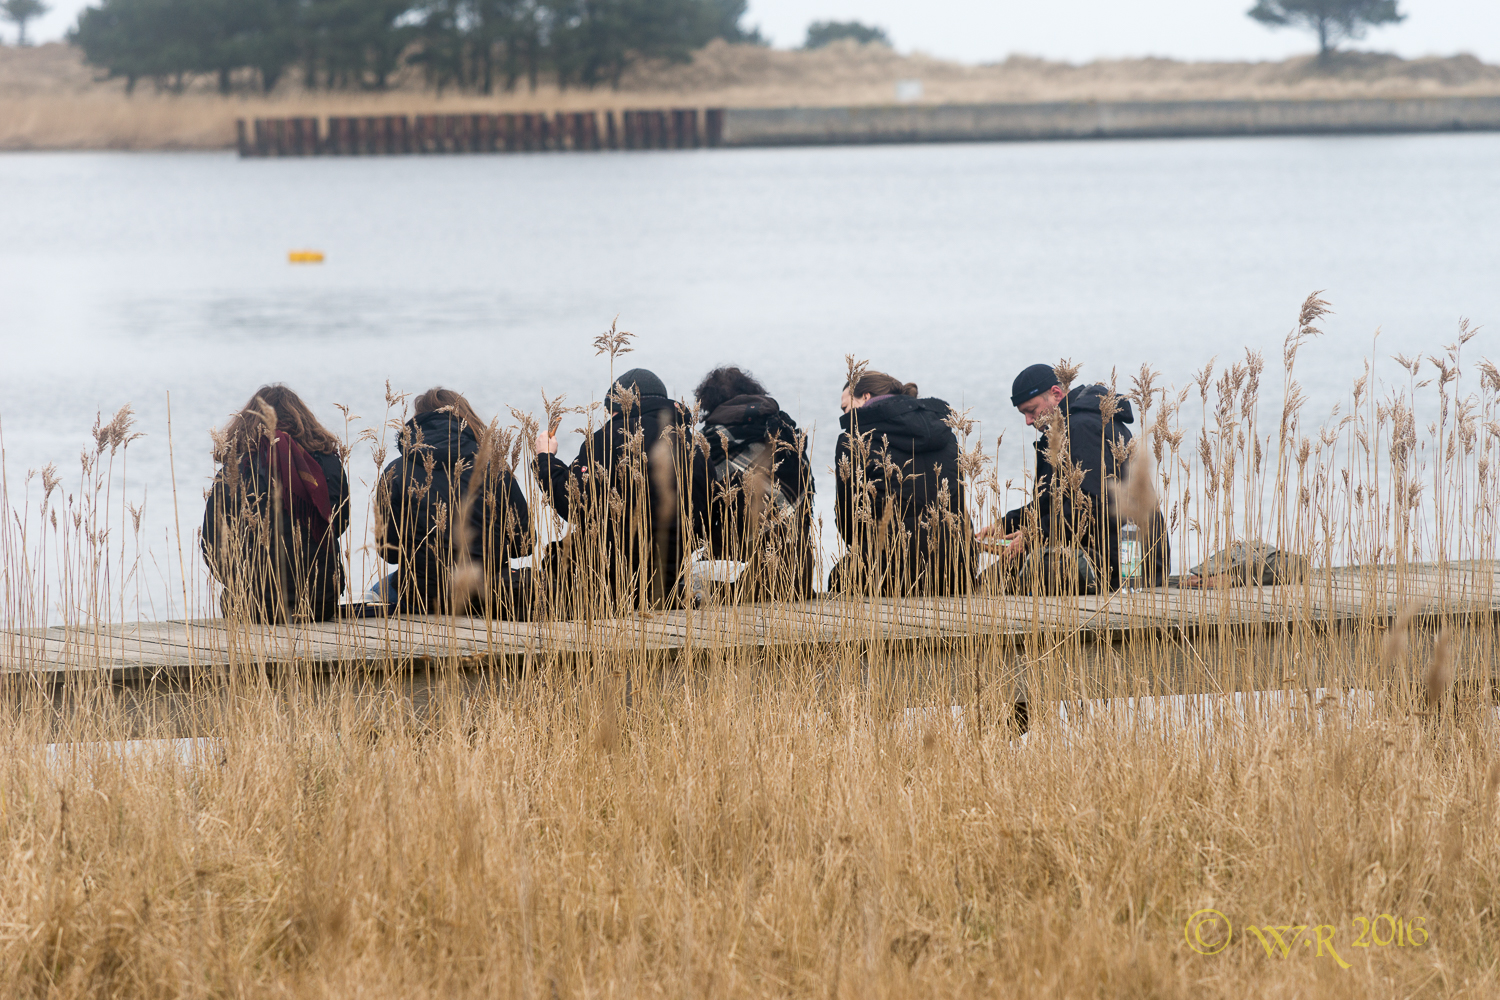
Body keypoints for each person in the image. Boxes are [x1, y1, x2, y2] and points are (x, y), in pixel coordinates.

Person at [534, 368, 712, 612]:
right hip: (671, 581)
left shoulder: (606, 440)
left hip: (612, 588)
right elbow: (710, 512)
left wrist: (546, 460)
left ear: (615, 407)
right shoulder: (696, 446)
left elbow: (574, 504)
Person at [983, 363, 1168, 593]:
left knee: (1002, 583)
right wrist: (1006, 525)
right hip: (1103, 551)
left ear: (1056, 394)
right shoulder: (1067, 428)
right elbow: (1052, 502)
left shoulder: (1082, 428)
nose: (1029, 421)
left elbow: (1089, 504)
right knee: (990, 581)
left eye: (1031, 410)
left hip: (1127, 564)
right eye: (1024, 414)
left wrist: (1034, 535)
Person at [376, 388, 532, 616]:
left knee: (377, 591)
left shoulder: (396, 472)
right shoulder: (495, 468)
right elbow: (523, 545)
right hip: (488, 594)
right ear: (467, 419)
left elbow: (388, 552)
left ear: (417, 423)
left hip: (422, 596)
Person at [202, 385, 349, 622]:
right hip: (320, 601)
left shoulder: (238, 467)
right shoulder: (328, 464)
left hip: (252, 604)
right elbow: (339, 524)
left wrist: (241, 581)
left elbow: (211, 542)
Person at [830, 369, 975, 596]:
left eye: (846, 408)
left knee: (839, 579)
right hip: (956, 565)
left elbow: (849, 517)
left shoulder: (853, 439)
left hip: (890, 566)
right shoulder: (945, 432)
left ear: (866, 397)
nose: (845, 415)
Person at [694, 365, 816, 600]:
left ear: (709, 404)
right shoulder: (789, 437)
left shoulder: (709, 446)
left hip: (733, 583)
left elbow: (698, 523)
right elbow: (807, 510)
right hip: (796, 577)